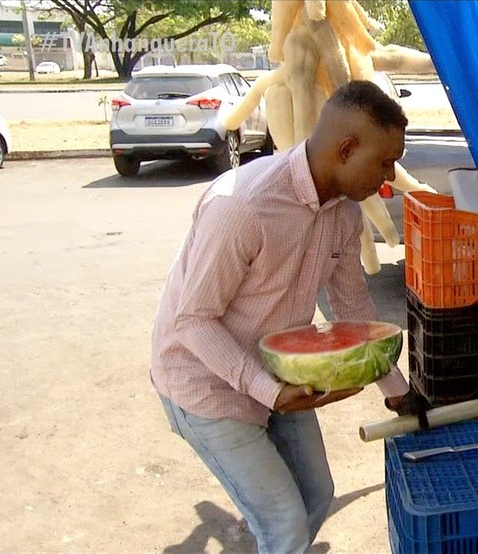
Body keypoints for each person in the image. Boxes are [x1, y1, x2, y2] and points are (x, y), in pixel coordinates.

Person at [150, 80, 423, 554]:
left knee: (317, 498)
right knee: (283, 524)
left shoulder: (343, 214)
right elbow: (192, 321)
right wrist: (269, 392)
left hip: (280, 377)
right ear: (346, 149)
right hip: (205, 384)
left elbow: (354, 308)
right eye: (384, 162)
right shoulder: (242, 207)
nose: (388, 179)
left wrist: (398, 392)